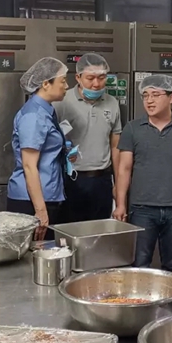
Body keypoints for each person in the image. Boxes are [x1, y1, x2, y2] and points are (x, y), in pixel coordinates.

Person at [112, 74, 172, 274]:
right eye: (145, 95)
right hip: (141, 208)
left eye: (156, 95)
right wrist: (120, 204)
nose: (149, 100)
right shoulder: (133, 128)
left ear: (171, 97)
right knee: (139, 264)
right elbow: (124, 168)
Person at [7, 57, 70, 240]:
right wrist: (40, 211)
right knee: (33, 253)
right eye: (63, 81)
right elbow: (29, 166)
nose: (66, 86)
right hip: (32, 201)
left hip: (48, 195)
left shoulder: (46, 111)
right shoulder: (33, 116)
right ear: (45, 84)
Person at [54, 53, 122, 222]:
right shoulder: (62, 101)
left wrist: (118, 184)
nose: (96, 84)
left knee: (99, 232)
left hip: (102, 181)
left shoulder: (112, 103)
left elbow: (115, 146)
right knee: (70, 231)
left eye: (102, 78)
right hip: (71, 179)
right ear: (78, 77)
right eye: (90, 78)